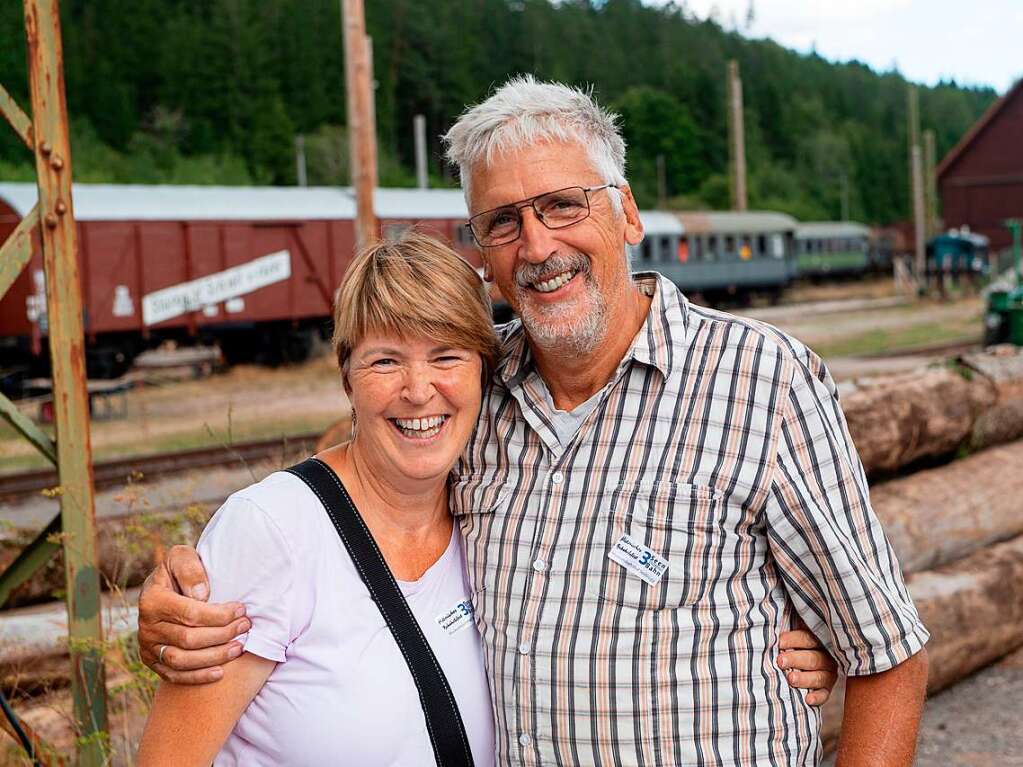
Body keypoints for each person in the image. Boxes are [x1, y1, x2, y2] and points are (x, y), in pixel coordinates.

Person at [137, 75, 924, 766]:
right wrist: (191, 586)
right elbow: (354, 473)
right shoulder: (480, 385)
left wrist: (819, 645)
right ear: (480, 249)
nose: (537, 244)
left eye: (560, 205)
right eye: (502, 222)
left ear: (626, 212)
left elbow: (886, 653)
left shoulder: (763, 379)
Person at [137, 233, 501, 765]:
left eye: (446, 356)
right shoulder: (274, 530)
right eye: (385, 361)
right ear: (347, 379)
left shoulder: (494, 513)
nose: (419, 389)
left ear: (483, 372)